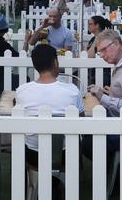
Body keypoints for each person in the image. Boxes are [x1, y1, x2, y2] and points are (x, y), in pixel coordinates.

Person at [16, 44, 84, 200]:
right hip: (65, 154)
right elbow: (81, 122)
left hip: (33, 154)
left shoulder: (22, 91)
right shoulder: (72, 91)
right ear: (55, 63)